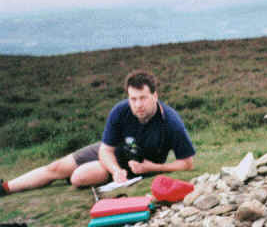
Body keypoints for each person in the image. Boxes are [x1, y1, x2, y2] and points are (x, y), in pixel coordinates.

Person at [0, 70, 195, 197]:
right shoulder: (120, 111)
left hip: (136, 166)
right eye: (133, 99)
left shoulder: (171, 122)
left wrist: (154, 167)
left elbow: (187, 164)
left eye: (143, 98)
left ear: (155, 96)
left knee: (78, 177)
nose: (138, 104)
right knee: (56, 166)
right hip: (112, 155)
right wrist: (114, 170)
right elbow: (105, 150)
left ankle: (81, 175)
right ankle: (6, 187)